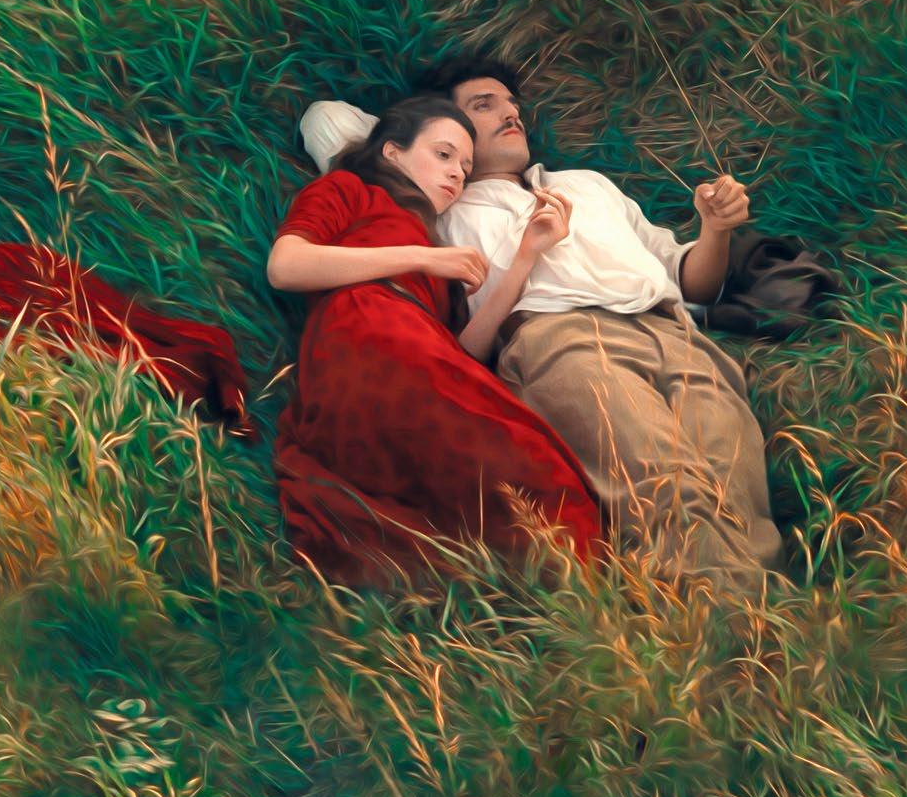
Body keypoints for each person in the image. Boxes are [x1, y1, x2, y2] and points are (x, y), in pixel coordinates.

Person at [299, 58, 784, 593]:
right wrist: (417, 137)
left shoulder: (588, 185)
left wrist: (714, 230)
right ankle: (724, 627)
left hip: (672, 329)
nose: (510, 114)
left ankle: (764, 632)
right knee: (665, 485)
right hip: (562, 341)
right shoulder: (436, 207)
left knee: (736, 487)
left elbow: (690, 279)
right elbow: (329, 122)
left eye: (512, 105)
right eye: (484, 106)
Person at [268, 95, 603, 585]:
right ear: (392, 152)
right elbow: (286, 266)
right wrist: (420, 260)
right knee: (519, 475)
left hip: (422, 351)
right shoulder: (350, 189)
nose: (456, 175)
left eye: (465, 168)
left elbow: (464, 352)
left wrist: (527, 256)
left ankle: (575, 595)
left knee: (542, 471)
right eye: (443, 155)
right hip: (364, 329)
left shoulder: (436, 245)